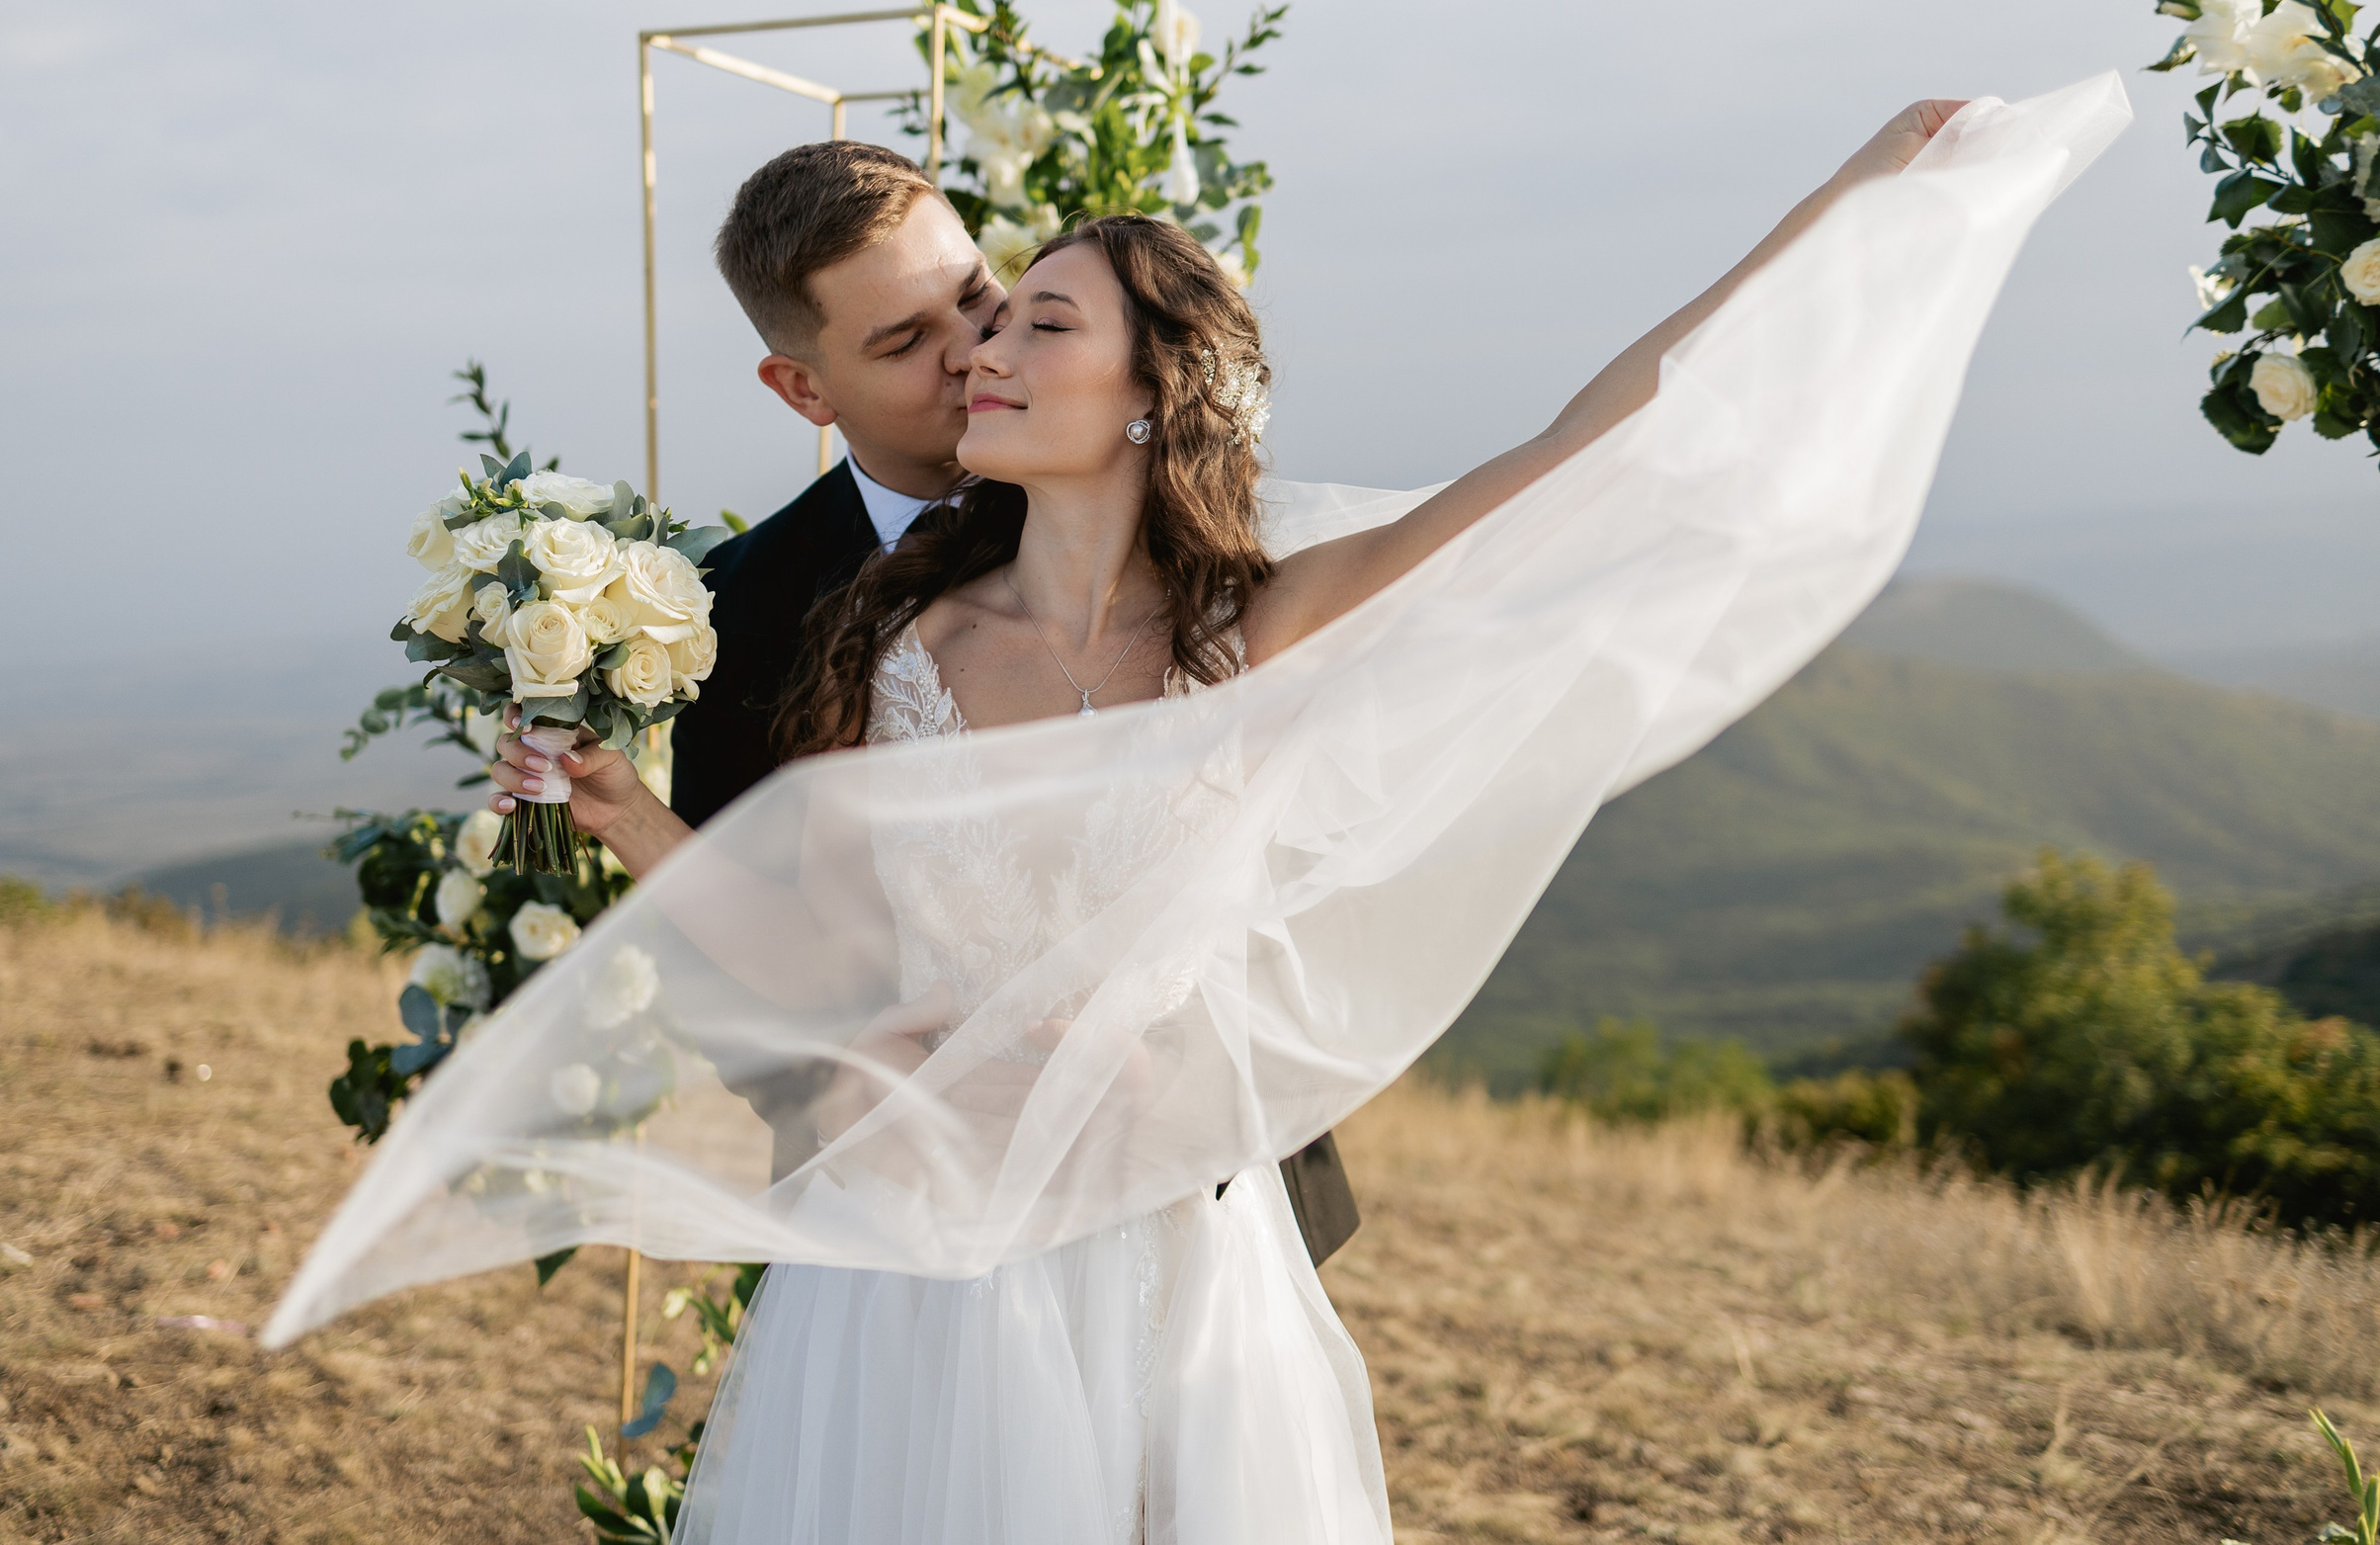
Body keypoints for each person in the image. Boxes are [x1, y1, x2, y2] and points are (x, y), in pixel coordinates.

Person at [473, 99, 1974, 1543]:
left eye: (1013, 315)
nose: (978, 354)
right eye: (927, 340)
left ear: (1149, 394)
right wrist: (625, 819)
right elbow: (804, 962)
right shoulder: (889, 644)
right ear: (807, 384)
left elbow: (1574, 443)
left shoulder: (1251, 626)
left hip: (1183, 1245)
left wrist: (1848, 199)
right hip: (927, 1266)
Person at [665, 138, 1361, 1260]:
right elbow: (738, 934)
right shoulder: (734, 613)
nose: (974, 350)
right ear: (804, 388)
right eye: (904, 342)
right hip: (910, 1210)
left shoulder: (1187, 530)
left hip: (1207, 1188)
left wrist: (1179, 1090)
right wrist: (868, 1103)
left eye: (976, 298)